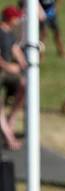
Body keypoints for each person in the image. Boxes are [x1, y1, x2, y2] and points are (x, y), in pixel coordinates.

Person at [0, 5, 26, 150]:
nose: (18, 20)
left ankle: (12, 118)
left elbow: (14, 48)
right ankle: (9, 138)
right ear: (10, 18)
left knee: (25, 85)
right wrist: (8, 66)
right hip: (3, 70)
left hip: (7, 73)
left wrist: (24, 64)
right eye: (16, 17)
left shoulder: (10, 34)